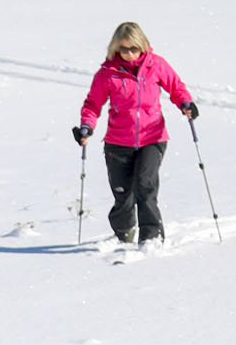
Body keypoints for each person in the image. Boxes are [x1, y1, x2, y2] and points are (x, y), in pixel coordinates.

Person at [72, 22, 198, 248]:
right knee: (123, 193)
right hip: (118, 141)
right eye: (124, 49)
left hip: (153, 137)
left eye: (134, 49)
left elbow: (176, 87)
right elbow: (93, 104)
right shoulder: (107, 73)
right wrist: (86, 127)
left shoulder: (156, 65)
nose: (129, 54)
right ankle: (124, 233)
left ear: (143, 46)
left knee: (145, 184)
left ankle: (151, 236)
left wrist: (186, 104)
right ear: (116, 48)